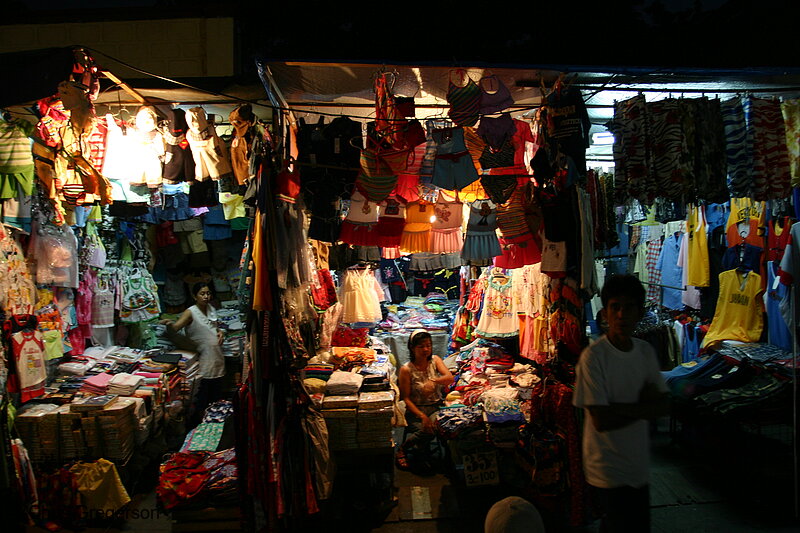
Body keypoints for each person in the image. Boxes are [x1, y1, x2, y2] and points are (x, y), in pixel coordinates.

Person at [572, 274, 670, 533]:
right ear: (604, 313)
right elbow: (602, 420)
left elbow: (662, 406)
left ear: (639, 312)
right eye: (615, 307)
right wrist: (643, 407)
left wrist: (619, 407)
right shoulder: (593, 358)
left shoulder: (645, 352)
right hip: (607, 469)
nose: (621, 315)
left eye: (628, 307)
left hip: (637, 466)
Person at [160, 282, 226, 426]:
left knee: (216, 397)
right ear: (194, 296)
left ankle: (215, 423)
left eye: (208, 293)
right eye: (202, 294)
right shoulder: (191, 312)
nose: (206, 296)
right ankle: (200, 426)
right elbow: (177, 327)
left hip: (217, 358)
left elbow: (216, 327)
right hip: (203, 360)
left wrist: (220, 333)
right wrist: (169, 323)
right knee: (202, 397)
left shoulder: (211, 309)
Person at [396, 329, 454, 470]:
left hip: (435, 407)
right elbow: (406, 399)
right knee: (428, 429)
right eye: (421, 346)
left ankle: (420, 451)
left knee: (441, 427)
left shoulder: (435, 361)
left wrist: (434, 381)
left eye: (428, 345)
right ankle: (403, 449)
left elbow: (449, 378)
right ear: (412, 347)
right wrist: (422, 416)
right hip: (416, 410)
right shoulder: (406, 369)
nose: (426, 349)